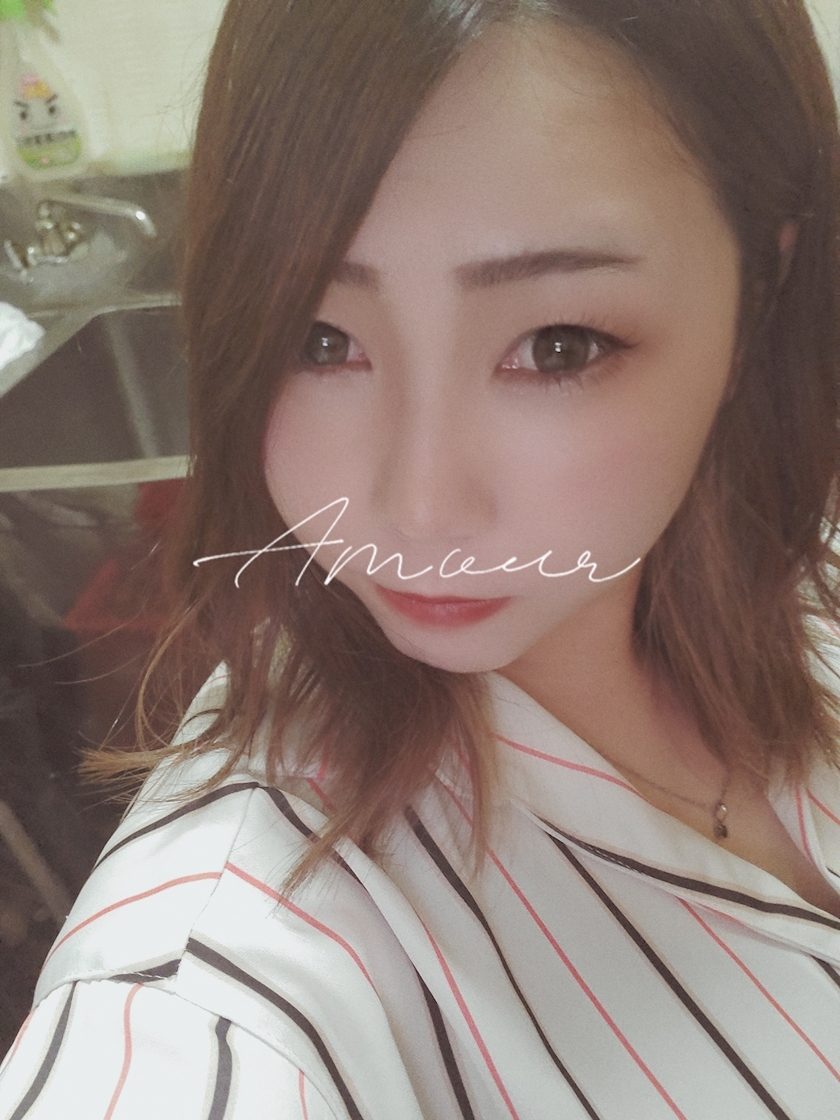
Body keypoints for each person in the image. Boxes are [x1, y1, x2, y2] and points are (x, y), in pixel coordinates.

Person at [3, 0, 840, 1115]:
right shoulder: (212, 1000)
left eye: (558, 346)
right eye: (318, 340)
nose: (418, 508)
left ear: (762, 292)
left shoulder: (804, 576)